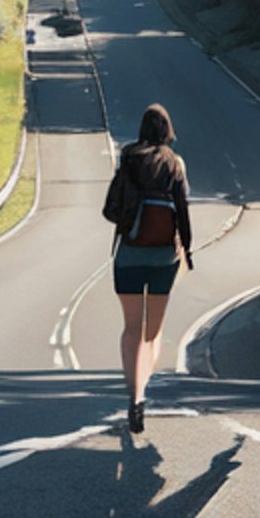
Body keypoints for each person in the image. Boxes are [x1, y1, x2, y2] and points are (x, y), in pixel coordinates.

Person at [103, 103, 192, 433]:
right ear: (168, 130)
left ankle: (133, 395)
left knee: (130, 330)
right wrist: (187, 248)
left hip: (128, 253)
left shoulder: (127, 158)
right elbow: (183, 210)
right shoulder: (175, 164)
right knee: (152, 334)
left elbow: (113, 208)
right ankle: (142, 394)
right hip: (164, 257)